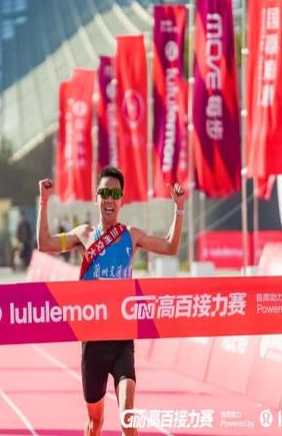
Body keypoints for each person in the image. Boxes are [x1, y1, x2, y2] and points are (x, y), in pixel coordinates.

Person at [37, 166, 186, 436]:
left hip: (122, 340)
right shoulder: (84, 235)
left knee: (127, 416)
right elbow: (45, 243)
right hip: (93, 342)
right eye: (104, 193)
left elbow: (170, 246)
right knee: (95, 423)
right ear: (97, 197)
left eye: (115, 194)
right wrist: (44, 201)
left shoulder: (131, 235)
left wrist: (179, 210)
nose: (109, 199)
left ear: (122, 201)